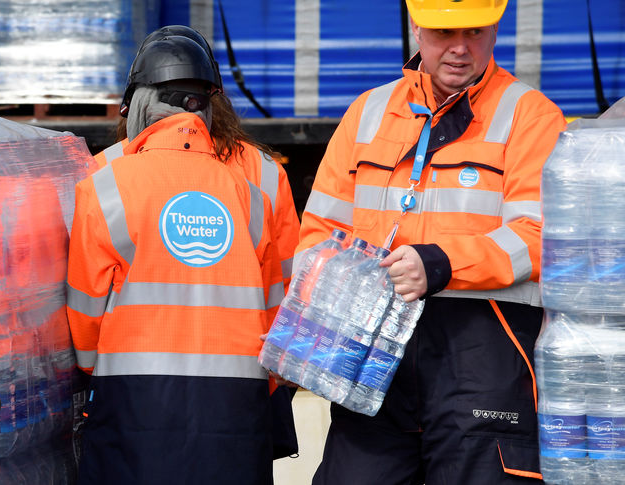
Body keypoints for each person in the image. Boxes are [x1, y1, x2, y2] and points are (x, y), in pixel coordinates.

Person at [297, 0, 566, 483]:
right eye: (444, 33)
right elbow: (319, 233)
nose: (461, 49)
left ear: (495, 30)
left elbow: (543, 235)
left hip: (482, 351)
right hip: (372, 351)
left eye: (476, 32)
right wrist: (320, 324)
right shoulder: (368, 112)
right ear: (417, 30)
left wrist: (442, 263)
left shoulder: (530, 116)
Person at [67, 33, 284, 484]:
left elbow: (86, 307)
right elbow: (280, 304)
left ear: (140, 104)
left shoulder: (104, 178)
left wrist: (95, 370)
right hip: (237, 402)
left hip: (133, 394)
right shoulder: (256, 190)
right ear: (209, 103)